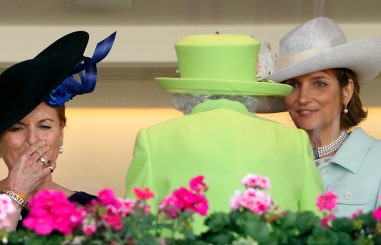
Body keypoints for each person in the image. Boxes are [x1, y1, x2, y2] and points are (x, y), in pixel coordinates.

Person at [125, 33, 324, 234]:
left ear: (183, 90)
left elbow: (136, 234)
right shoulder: (294, 141)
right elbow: (317, 232)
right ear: (251, 88)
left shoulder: (153, 140)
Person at [267, 17, 381, 217]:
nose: (303, 98)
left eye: (319, 83)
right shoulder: (273, 162)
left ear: (346, 91)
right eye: (293, 85)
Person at [0, 31, 116, 229]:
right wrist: (15, 193)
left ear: (61, 134)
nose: (32, 139)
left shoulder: (93, 211)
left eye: (45, 126)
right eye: (17, 128)